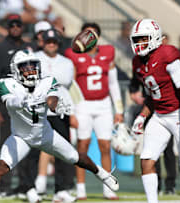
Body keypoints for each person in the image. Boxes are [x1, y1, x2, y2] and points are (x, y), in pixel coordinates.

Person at [0, 50, 119, 203]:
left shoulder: (47, 81)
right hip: (21, 138)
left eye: (33, 67)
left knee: (75, 157)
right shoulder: (7, 83)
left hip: (45, 134)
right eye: (25, 68)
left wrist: (55, 106)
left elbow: (52, 98)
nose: (30, 71)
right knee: (1, 167)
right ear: (15, 70)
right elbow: (10, 102)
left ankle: (103, 174)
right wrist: (23, 101)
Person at [129, 18, 180, 203]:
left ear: (154, 37)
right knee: (147, 159)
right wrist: (142, 117)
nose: (139, 44)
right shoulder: (137, 63)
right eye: (136, 39)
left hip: (178, 112)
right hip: (159, 116)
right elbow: (153, 95)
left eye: (143, 38)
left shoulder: (167, 53)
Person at [0, 14, 40, 202]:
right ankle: (4, 187)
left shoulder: (27, 48)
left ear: (22, 27)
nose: (15, 27)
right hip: (6, 105)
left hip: (28, 105)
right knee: (7, 144)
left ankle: (26, 185)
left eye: (18, 24)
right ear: (8, 27)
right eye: (12, 25)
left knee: (30, 144)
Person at [65, 22, 123, 200]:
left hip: (104, 104)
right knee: (82, 145)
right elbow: (71, 84)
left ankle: (108, 187)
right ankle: (81, 187)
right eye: (86, 34)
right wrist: (72, 111)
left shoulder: (108, 52)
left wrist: (118, 109)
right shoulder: (73, 55)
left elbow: (113, 82)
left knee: (105, 146)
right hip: (83, 104)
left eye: (93, 34)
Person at [34, 28, 76, 202]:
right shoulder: (35, 58)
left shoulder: (66, 62)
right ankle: (33, 186)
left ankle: (62, 188)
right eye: (48, 41)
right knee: (34, 149)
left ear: (58, 43)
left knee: (63, 150)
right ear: (43, 42)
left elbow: (65, 81)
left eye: (54, 42)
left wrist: (73, 112)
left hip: (60, 110)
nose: (51, 44)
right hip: (38, 109)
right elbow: (35, 79)